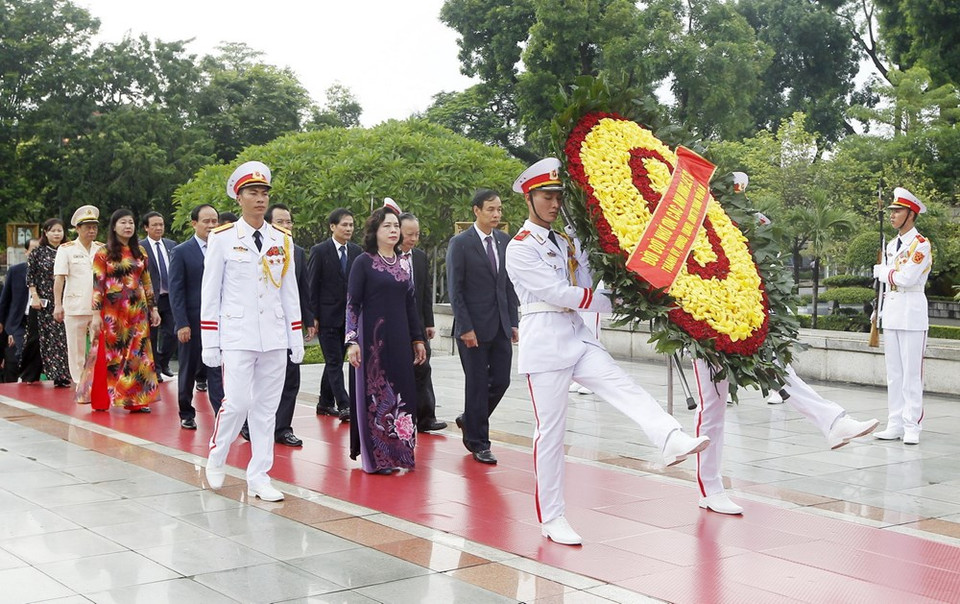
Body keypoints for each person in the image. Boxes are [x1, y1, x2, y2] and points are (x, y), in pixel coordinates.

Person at [505, 158, 710, 546]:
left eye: (558, 196)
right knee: (550, 434)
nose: (555, 204)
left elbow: (584, 281)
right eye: (547, 197)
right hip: (545, 342)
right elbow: (557, 293)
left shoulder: (566, 239)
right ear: (528, 199)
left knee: (623, 385)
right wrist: (612, 303)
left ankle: (669, 437)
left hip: (577, 335)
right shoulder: (520, 247)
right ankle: (552, 517)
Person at [201, 161, 304, 502]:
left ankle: (259, 476)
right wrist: (210, 342)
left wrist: (295, 335)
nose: (260, 199)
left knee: (266, 409)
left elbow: (289, 291)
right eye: (253, 193)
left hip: (273, 335)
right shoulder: (222, 238)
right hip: (237, 333)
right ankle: (217, 454)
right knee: (237, 402)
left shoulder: (281, 239)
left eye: (264, 193)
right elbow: (210, 293)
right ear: (239, 198)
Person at [691, 360, 879, 514]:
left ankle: (834, 422)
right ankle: (710, 489)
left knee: (780, 369)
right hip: (707, 333)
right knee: (712, 406)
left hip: (744, 326)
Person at [345, 205, 426, 474]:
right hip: (373, 342)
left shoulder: (404, 262)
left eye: (396, 226)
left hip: (400, 338)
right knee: (376, 396)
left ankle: (400, 454)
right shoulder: (363, 262)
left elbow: (410, 304)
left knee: (403, 392)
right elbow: (352, 303)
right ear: (375, 231)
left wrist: (417, 339)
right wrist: (352, 341)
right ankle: (377, 459)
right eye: (387, 226)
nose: (393, 230)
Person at [446, 189, 519, 465]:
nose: (496, 214)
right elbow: (455, 289)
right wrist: (465, 327)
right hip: (473, 329)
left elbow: (508, 285)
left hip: (500, 325)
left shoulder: (504, 240)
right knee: (476, 384)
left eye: (499, 209)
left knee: (501, 380)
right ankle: (479, 442)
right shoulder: (460, 243)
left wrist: (513, 321)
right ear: (476, 210)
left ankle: (470, 419)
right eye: (491, 209)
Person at [76, 209, 162, 412]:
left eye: (130, 222)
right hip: (112, 314)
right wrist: (95, 315)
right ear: (114, 227)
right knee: (111, 356)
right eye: (123, 222)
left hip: (138, 312)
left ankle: (135, 401)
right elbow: (98, 285)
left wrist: (154, 308)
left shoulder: (140, 252)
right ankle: (103, 398)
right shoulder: (103, 253)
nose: (128, 226)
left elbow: (147, 282)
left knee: (138, 354)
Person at [873, 187, 932, 445]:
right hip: (892, 310)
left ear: (911, 215)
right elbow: (890, 283)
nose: (892, 215)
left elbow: (907, 278)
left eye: (898, 211)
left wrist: (883, 272)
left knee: (911, 374)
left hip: (912, 311)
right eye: (892, 211)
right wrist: (878, 310)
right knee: (894, 374)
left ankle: (912, 426)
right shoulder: (891, 245)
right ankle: (895, 423)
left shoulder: (921, 244)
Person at [260, 202, 315, 447]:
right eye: (280, 222)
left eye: (289, 222)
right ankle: (254, 424)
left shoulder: (298, 252)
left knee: (291, 377)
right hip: (262, 325)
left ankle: (282, 428)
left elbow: (303, 288)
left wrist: (308, 319)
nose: (286, 226)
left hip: (288, 324)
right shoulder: (256, 249)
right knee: (262, 379)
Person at [168, 204, 225, 429]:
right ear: (194, 223)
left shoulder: (225, 249)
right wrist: (181, 323)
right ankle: (186, 412)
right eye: (206, 221)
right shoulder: (181, 252)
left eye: (214, 221)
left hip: (220, 322)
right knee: (188, 370)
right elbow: (176, 291)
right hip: (192, 322)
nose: (211, 225)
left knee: (217, 371)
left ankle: (222, 415)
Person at [308, 208, 361, 422]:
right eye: (344, 225)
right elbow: (312, 285)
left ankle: (325, 402)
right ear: (333, 226)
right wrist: (312, 316)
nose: (348, 229)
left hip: (349, 319)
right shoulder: (320, 251)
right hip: (327, 316)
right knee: (334, 361)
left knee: (335, 361)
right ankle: (344, 404)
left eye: (351, 225)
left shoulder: (357, 251)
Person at [398, 211, 447, 433]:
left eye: (417, 234)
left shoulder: (419, 257)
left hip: (417, 323)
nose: (414, 239)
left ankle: (427, 417)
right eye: (409, 234)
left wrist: (429, 322)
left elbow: (426, 291)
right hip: (396, 323)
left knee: (423, 368)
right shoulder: (386, 257)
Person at [53, 205, 103, 384]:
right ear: (78, 228)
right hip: (75, 306)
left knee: (99, 348)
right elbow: (59, 279)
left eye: (94, 227)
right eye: (88, 227)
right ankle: (79, 383)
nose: (92, 230)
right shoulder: (66, 249)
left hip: (98, 307)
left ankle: (96, 381)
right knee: (76, 349)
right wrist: (57, 305)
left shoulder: (102, 248)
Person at [25, 218, 72, 386]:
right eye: (53, 231)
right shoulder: (38, 252)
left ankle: (61, 376)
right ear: (46, 232)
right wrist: (35, 296)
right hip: (43, 302)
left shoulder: (68, 250)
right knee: (38, 339)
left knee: (62, 339)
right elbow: (30, 276)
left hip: (65, 300)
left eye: (60, 230)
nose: (57, 234)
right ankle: (30, 374)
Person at [140, 211, 177, 380]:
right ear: (146, 227)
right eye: (154, 225)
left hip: (170, 296)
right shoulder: (141, 247)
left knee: (172, 333)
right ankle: (155, 369)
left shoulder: (171, 245)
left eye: (161, 224)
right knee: (152, 335)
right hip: (151, 298)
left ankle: (163, 362)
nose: (158, 228)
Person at [0, 239, 38, 382]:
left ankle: (29, 380)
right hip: (18, 320)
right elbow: (5, 298)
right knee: (18, 351)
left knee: (34, 354)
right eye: (33, 250)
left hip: (38, 318)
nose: (36, 253)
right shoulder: (15, 271)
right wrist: (2, 321)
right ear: (26, 252)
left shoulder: (49, 271)